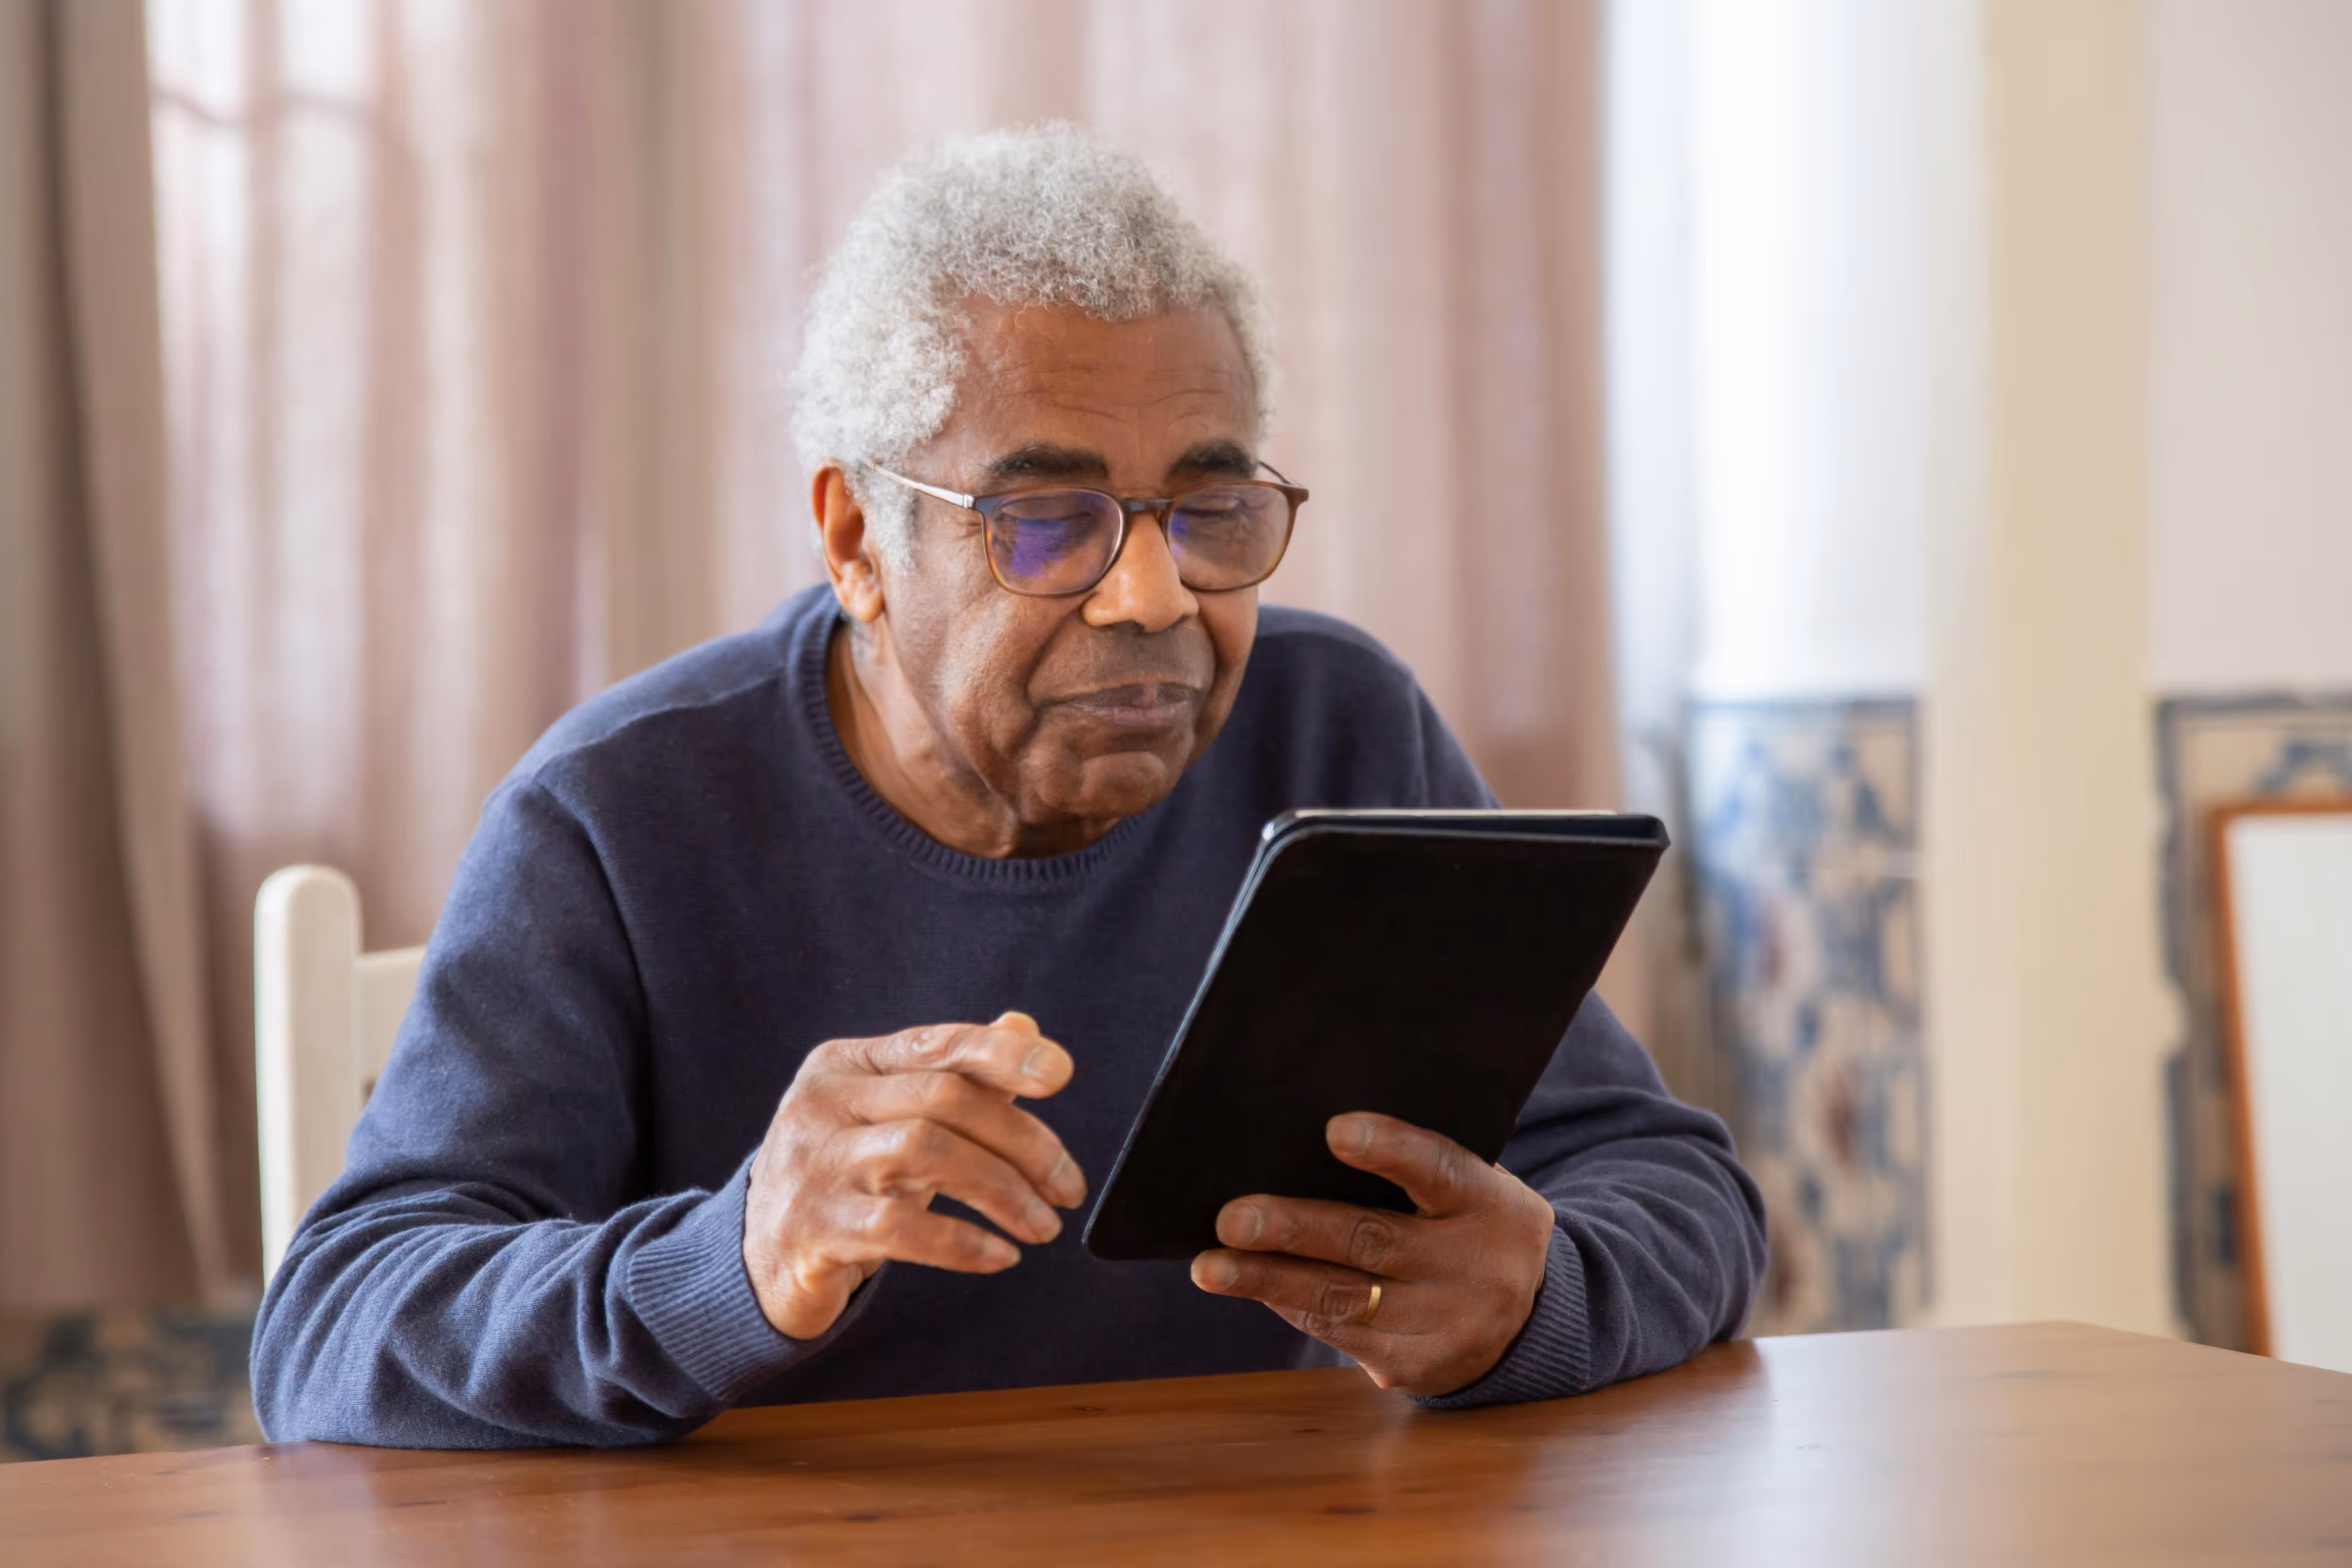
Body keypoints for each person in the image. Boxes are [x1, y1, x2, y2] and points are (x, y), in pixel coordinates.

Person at [252, 123, 1765, 1448]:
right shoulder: (616, 816)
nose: (1153, 598)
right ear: (856, 541)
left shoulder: (1338, 730)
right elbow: (331, 1329)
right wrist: (732, 1260)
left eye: (1212, 509)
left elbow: (1679, 1191)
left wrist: (1537, 1298)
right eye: (1049, 521)